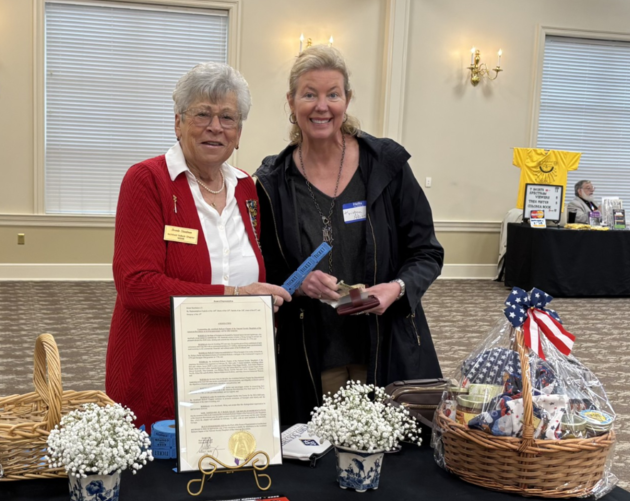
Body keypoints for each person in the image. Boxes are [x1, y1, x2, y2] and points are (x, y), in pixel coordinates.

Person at [255, 46, 444, 426]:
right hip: (311, 354)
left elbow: (426, 252)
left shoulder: (386, 166)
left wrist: (397, 287)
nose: (321, 106)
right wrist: (299, 281)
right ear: (291, 102)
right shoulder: (273, 184)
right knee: (318, 459)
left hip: (386, 346)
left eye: (333, 94)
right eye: (309, 94)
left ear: (347, 100)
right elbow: (266, 270)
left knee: (392, 454)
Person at [105, 63, 291, 428]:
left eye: (228, 118)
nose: (215, 127)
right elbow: (137, 286)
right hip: (158, 367)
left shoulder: (246, 188)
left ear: (239, 133)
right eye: (202, 114)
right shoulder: (147, 181)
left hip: (228, 371)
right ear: (178, 123)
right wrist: (235, 296)